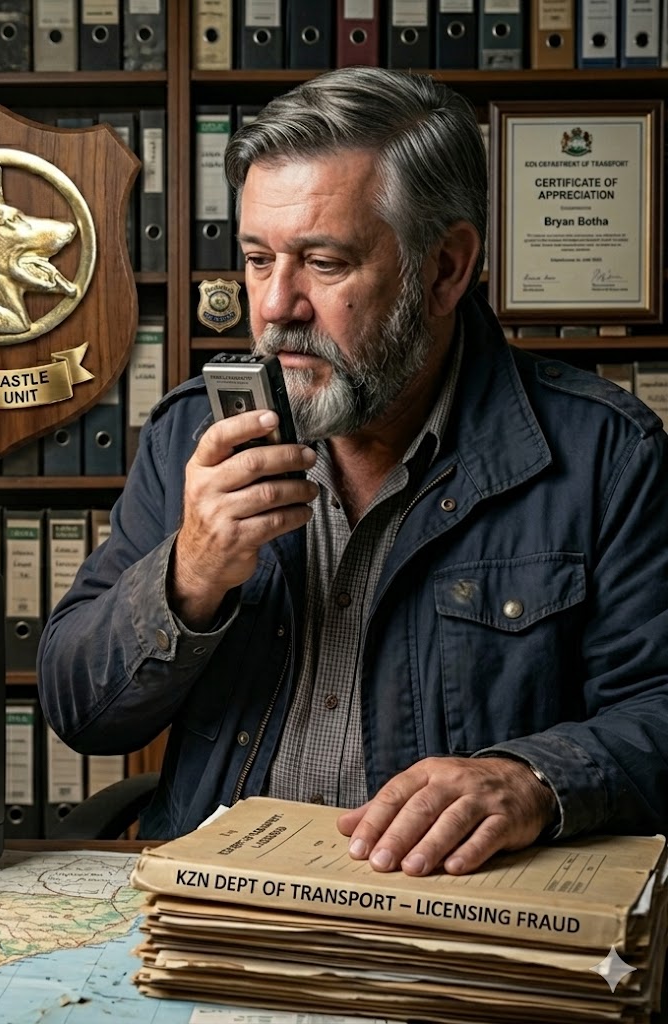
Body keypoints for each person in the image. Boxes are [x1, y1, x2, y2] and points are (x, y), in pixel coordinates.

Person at [37, 67, 668, 875]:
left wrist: (534, 780)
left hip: (443, 919)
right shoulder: (190, 437)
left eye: (324, 263)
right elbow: (79, 711)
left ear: (445, 268)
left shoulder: (605, 454)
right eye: (259, 260)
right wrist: (188, 573)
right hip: (218, 906)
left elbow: (657, 708)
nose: (275, 305)